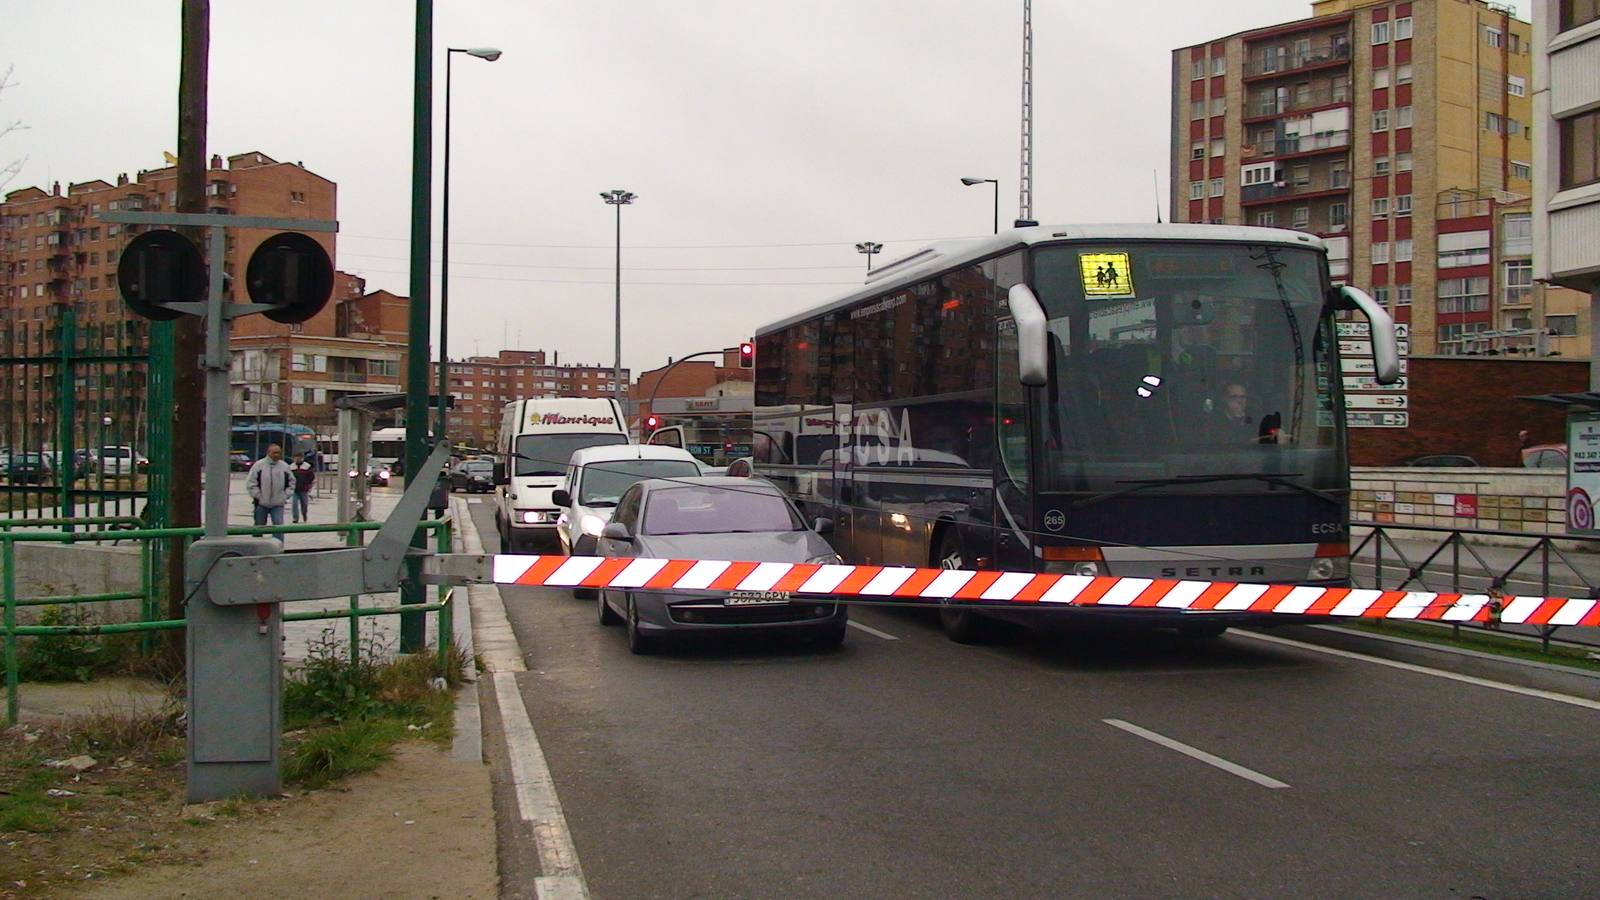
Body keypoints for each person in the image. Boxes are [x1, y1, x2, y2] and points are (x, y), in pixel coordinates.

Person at [246, 443, 294, 541]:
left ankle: (279, 547)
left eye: (279, 453)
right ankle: (256, 547)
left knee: (279, 526)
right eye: (275, 453)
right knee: (258, 527)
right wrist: (258, 496)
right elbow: (251, 482)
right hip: (261, 503)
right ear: (268, 453)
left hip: (278, 503)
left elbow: (291, 482)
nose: (277, 455)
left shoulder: (284, 466)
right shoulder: (258, 466)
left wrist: (285, 496)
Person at [291, 452, 316, 524]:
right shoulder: (291, 467)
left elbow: (311, 477)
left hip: (304, 489)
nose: (297, 459)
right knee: (294, 504)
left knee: (304, 504)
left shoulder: (307, 466)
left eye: (299, 457)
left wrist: (308, 485)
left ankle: (304, 516)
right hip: (294, 489)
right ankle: (295, 518)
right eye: (296, 457)